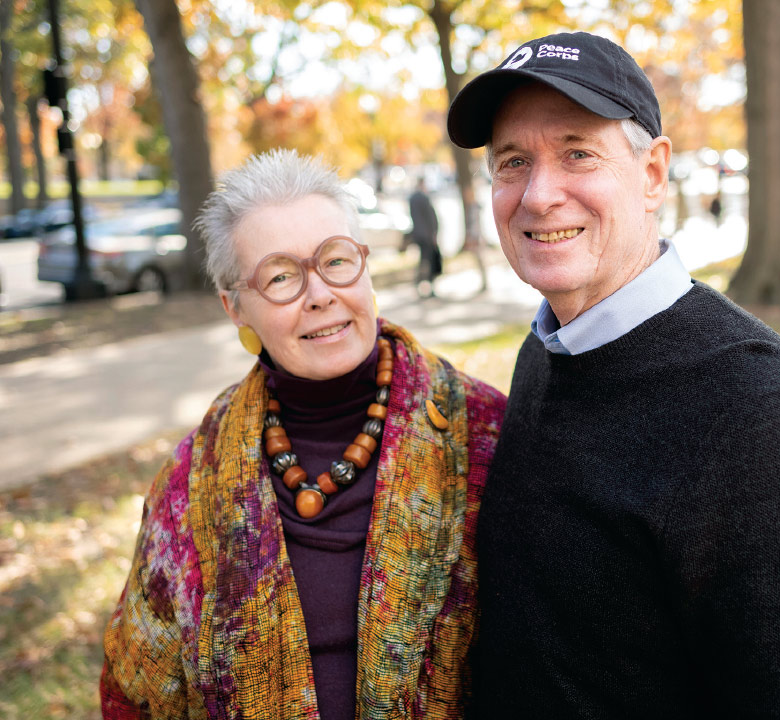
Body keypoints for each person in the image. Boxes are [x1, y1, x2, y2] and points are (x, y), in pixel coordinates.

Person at [446, 31, 780, 718]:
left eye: (577, 153)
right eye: (512, 161)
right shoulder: (548, 352)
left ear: (652, 175)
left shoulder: (765, 420)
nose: (538, 194)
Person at [100, 149, 506, 720]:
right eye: (281, 276)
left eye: (336, 260)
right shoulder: (194, 480)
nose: (319, 293)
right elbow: (136, 695)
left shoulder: (482, 432)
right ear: (235, 307)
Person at [403, 176, 442, 298]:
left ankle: (418, 283)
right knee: (428, 261)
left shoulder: (412, 198)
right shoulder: (424, 198)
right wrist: (434, 234)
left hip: (418, 234)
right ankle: (427, 285)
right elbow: (431, 218)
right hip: (427, 236)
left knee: (423, 260)